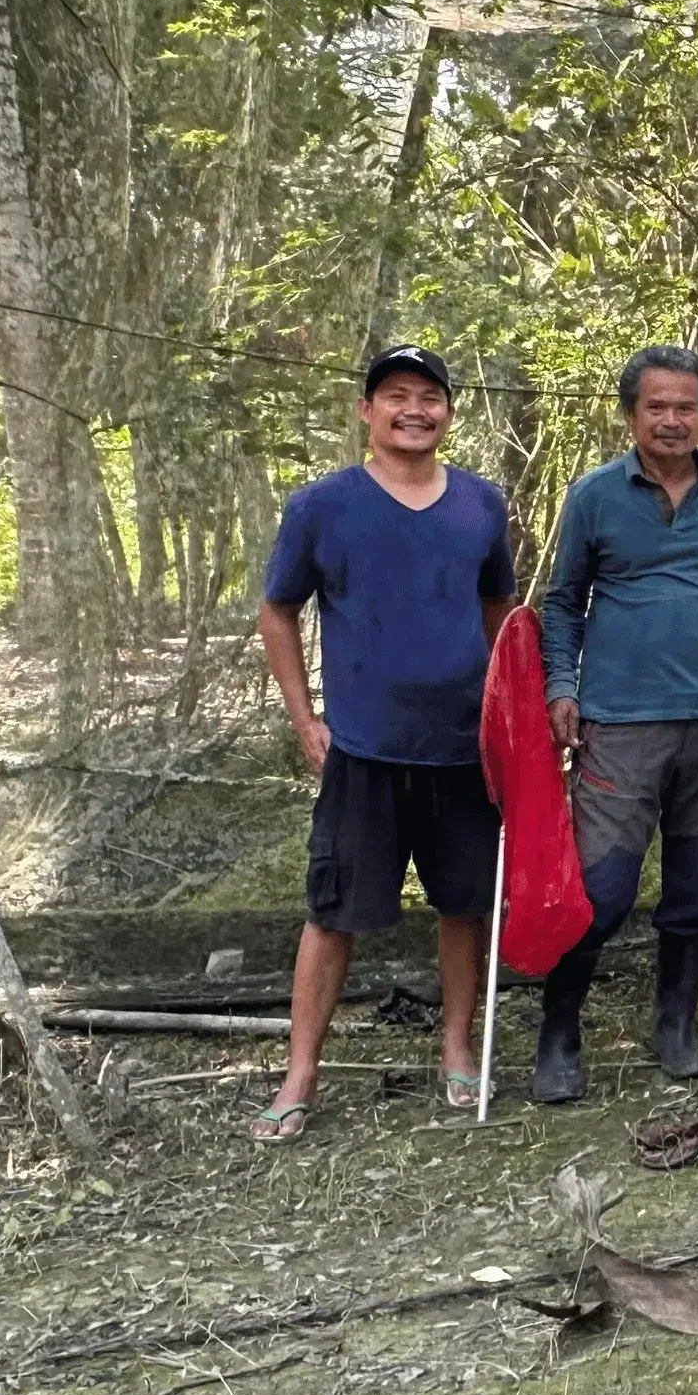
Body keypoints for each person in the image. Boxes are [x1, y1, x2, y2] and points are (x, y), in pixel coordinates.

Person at [252, 346, 516, 1139]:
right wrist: (306, 720)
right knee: (332, 913)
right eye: (395, 395)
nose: (414, 409)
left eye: (430, 396)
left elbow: (500, 611)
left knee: (465, 907)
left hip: (464, 752)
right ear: (367, 412)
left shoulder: (481, 505)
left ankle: (458, 1051)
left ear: (448, 412)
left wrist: (507, 718)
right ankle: (300, 1075)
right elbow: (278, 613)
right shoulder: (322, 506)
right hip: (362, 750)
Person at [534, 345, 698, 1102]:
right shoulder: (594, 497)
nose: (673, 420)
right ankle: (558, 1034)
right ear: (631, 415)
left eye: (686, 407)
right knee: (602, 889)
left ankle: (674, 1026)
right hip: (619, 721)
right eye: (658, 407)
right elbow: (562, 602)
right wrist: (560, 685)